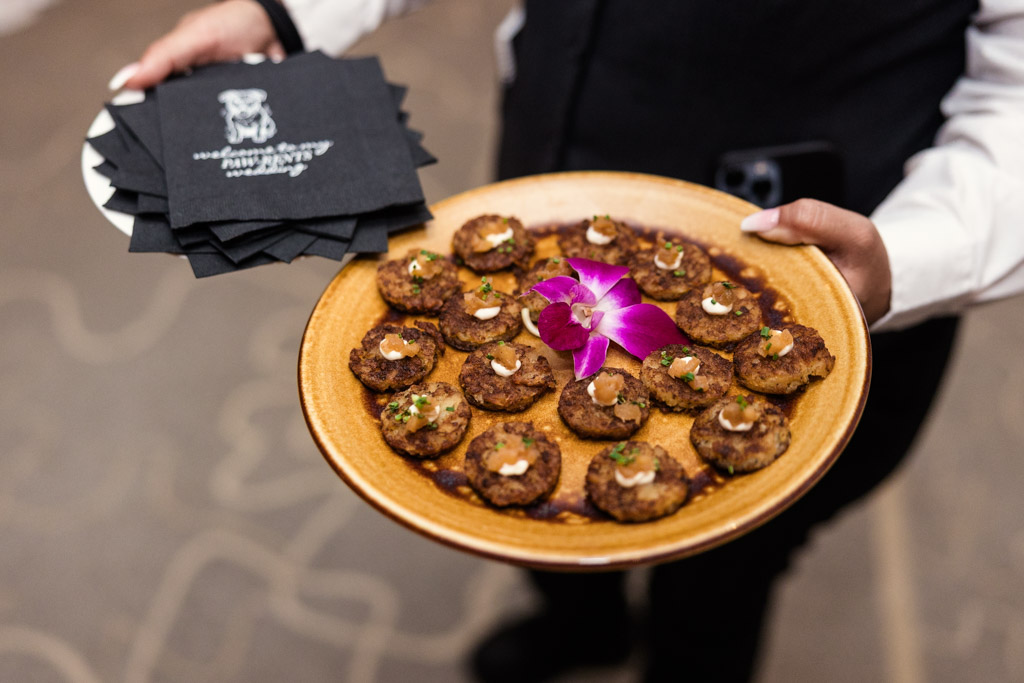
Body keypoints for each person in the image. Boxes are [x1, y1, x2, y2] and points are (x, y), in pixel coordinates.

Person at [110, 1, 1024, 680]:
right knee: (544, 512)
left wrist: (909, 256)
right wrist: (289, 14)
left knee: (726, 565)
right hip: (555, 186)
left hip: (820, 258)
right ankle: (581, 620)